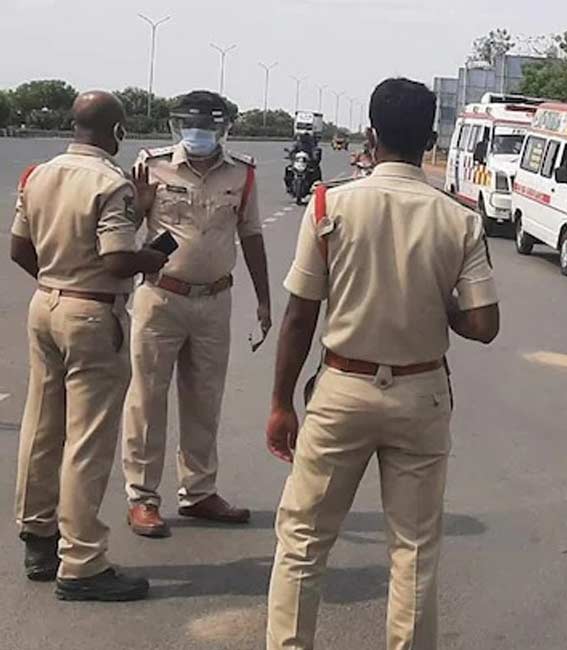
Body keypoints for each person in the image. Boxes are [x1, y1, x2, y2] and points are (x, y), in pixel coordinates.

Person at [265, 77, 500, 649]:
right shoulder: (459, 218)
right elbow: (484, 326)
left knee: (303, 541)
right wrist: (434, 296)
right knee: (414, 551)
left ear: (370, 136)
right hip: (420, 395)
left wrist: (280, 403)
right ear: (431, 138)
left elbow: (299, 317)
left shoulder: (330, 204)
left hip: (343, 388)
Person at [10, 90, 166, 601]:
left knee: (40, 427)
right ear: (117, 132)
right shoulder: (111, 182)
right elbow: (118, 260)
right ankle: (81, 563)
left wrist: (58, 282)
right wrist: (153, 257)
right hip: (92, 315)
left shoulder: (39, 175)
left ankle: (38, 537)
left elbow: (18, 248)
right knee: (87, 441)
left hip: (46, 304)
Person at [121, 90, 272, 538]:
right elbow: (122, 230)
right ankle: (142, 497)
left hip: (214, 301)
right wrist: (140, 203)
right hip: (161, 299)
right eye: (191, 125)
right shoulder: (151, 165)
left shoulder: (241, 175)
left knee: (204, 399)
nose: (199, 134)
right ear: (176, 126)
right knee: (147, 399)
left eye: (208, 126)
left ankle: (199, 491)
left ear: (224, 130)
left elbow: (252, 236)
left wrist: (264, 300)